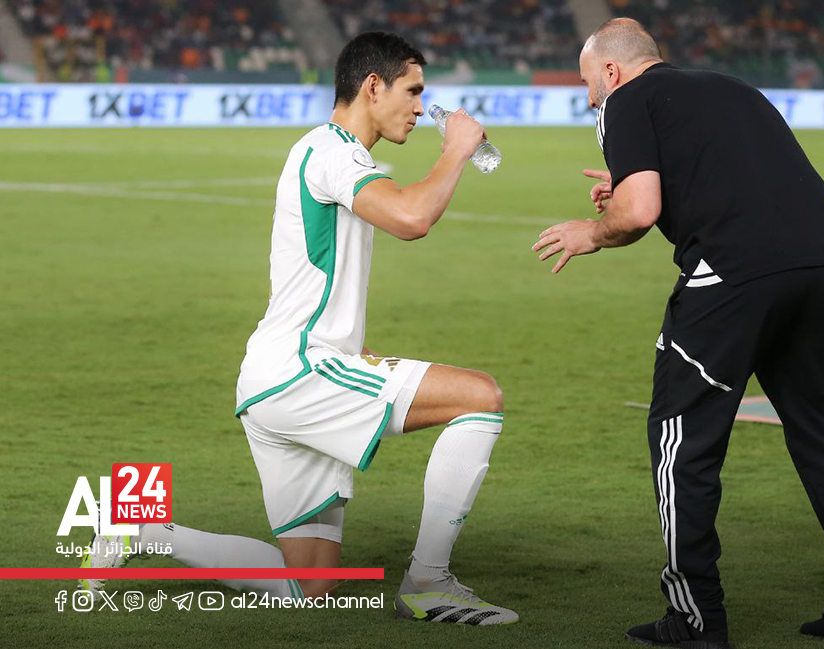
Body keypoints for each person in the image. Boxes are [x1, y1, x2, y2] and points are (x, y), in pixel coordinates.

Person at [79, 31, 518, 626]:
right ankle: (428, 582)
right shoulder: (332, 151)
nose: (420, 107)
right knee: (479, 397)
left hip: (277, 379)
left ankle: (142, 532)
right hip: (301, 373)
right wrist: (458, 150)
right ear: (373, 86)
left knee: (312, 585)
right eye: (413, 91)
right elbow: (412, 218)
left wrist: (352, 346)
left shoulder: (330, 153)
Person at [533, 18, 824, 649]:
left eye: (589, 81)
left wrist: (590, 231)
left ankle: (696, 618)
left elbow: (639, 211)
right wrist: (636, 186)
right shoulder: (732, 87)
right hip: (822, 265)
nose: (589, 96)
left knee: (682, 441)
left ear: (612, 71)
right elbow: (734, 177)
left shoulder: (625, 101)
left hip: (734, 274)